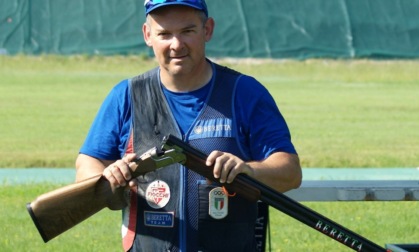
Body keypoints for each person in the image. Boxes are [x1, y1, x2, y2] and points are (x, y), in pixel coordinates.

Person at [75, 0, 302, 251]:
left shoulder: (245, 92)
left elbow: (290, 172)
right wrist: (107, 179)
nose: (176, 44)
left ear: (207, 30)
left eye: (187, 31)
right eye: (164, 34)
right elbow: (86, 164)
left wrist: (250, 171)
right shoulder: (126, 96)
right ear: (147, 35)